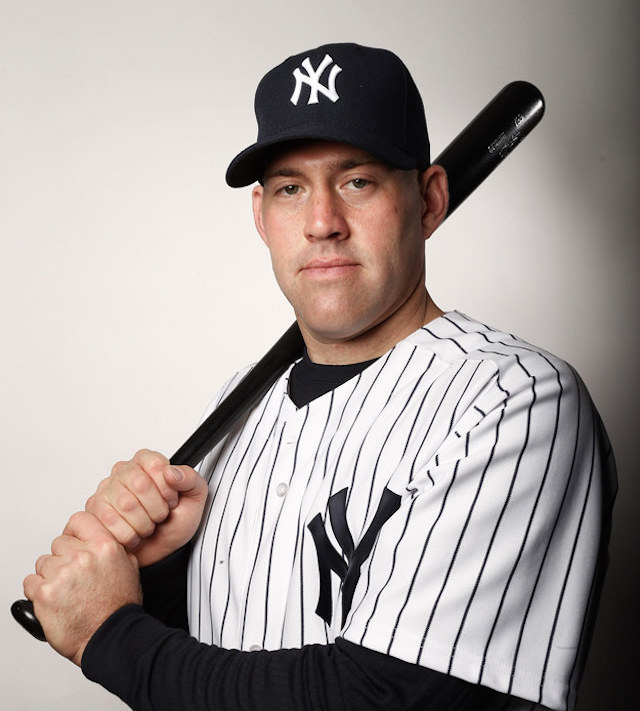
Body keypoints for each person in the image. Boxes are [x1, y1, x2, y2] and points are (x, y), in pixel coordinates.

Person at [24, 43, 616, 711]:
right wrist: (158, 575)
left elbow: (381, 696)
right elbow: (223, 663)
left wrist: (109, 635)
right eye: (290, 188)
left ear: (429, 200)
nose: (322, 223)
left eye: (357, 181)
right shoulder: (241, 404)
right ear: (261, 217)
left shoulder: (514, 400)